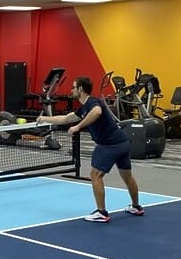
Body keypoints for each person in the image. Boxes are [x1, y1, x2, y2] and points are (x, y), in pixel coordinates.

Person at [37, 75, 143, 222]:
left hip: (109, 145)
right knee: (127, 176)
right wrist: (44, 119)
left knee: (95, 175)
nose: (71, 90)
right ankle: (136, 207)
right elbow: (66, 119)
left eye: (74, 87)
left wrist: (79, 126)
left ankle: (102, 213)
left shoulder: (93, 102)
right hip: (122, 144)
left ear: (81, 89)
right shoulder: (84, 108)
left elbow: (97, 112)